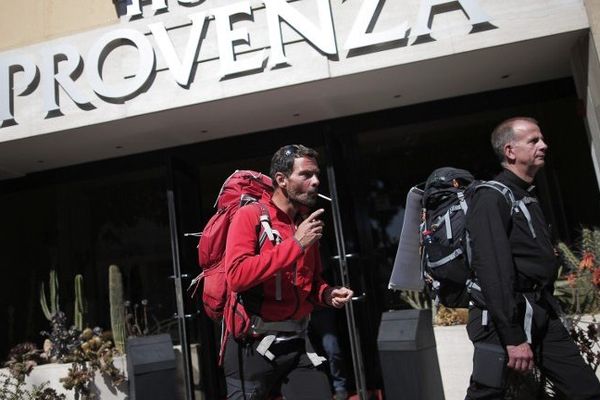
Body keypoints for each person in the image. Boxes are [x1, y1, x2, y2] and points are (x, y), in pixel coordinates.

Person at [465, 117, 600, 399]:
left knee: (585, 390)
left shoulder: (525, 194)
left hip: (539, 310)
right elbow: (493, 270)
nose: (544, 145)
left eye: (541, 139)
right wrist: (513, 336)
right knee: (487, 395)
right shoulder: (491, 198)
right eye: (534, 140)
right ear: (510, 151)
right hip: (501, 318)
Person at [223, 144, 354, 400]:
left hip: (297, 344)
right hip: (252, 346)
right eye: (305, 175)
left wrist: (327, 294)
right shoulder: (249, 216)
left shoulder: (304, 225)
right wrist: (295, 244)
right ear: (281, 180)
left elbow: (309, 283)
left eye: (316, 174)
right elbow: (237, 277)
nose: (315, 181)